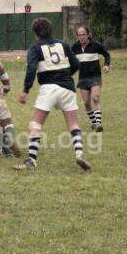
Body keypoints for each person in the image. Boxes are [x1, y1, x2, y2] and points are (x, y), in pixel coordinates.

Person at [14, 18, 91, 171]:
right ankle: (79, 154)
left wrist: (25, 90)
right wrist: (65, 75)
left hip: (48, 88)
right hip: (68, 88)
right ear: (51, 30)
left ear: (36, 33)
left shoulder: (35, 48)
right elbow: (76, 64)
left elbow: (31, 69)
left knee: (36, 124)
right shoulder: (63, 44)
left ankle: (31, 161)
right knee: (73, 124)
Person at [72, 26, 111, 132]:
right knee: (86, 103)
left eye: (83, 34)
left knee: (95, 98)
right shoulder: (74, 47)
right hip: (83, 78)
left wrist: (106, 65)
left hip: (95, 77)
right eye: (79, 35)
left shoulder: (96, 45)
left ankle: (99, 124)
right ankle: (93, 122)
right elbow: (70, 59)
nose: (82, 37)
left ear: (88, 34)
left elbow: (106, 55)